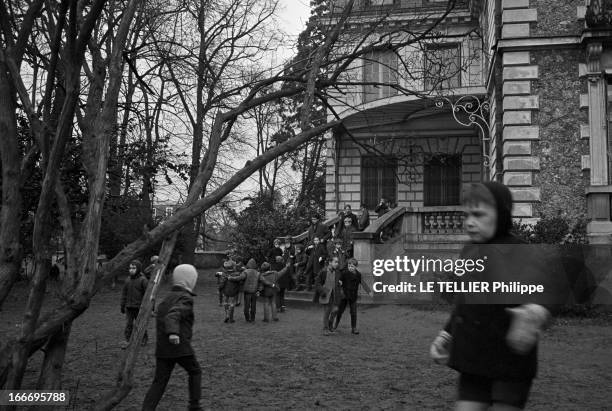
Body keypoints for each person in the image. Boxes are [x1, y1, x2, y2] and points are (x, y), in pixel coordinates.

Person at [429, 182, 554, 411]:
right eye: (466, 215)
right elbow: (464, 302)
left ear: (502, 214)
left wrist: (535, 311)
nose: (469, 222)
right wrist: (446, 334)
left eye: (478, 214)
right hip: (473, 360)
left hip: (510, 361)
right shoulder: (469, 251)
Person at [142, 264, 202, 411]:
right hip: (179, 346)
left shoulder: (166, 298)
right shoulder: (185, 298)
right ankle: (194, 406)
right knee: (195, 371)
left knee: (159, 382)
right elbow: (173, 315)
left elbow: (162, 315)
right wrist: (173, 333)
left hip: (163, 349)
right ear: (190, 280)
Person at [334, 258, 372, 334]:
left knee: (354, 312)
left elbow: (363, 283)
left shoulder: (358, 275)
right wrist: (339, 283)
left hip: (353, 296)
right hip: (344, 295)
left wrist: (369, 291)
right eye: (349, 266)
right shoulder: (344, 273)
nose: (350, 268)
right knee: (340, 311)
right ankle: (335, 325)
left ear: (355, 267)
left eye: (352, 266)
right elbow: (339, 280)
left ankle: (353, 328)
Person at [120, 260, 148, 348]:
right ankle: (128, 340)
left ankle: (143, 339)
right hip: (129, 307)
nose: (131, 270)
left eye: (134, 268)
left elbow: (147, 295)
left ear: (138, 269)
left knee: (140, 324)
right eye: (130, 268)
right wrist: (122, 305)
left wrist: (148, 308)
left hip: (139, 307)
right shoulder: (127, 280)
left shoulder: (143, 280)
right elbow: (124, 294)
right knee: (128, 325)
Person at [313, 256, 343, 335]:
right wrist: (322, 291)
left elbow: (337, 280)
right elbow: (317, 283)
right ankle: (325, 328)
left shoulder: (337, 271)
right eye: (335, 262)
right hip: (326, 294)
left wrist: (339, 282)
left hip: (335, 294)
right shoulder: (323, 271)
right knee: (327, 312)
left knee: (335, 310)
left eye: (338, 262)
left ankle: (330, 324)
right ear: (330, 262)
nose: (337, 264)